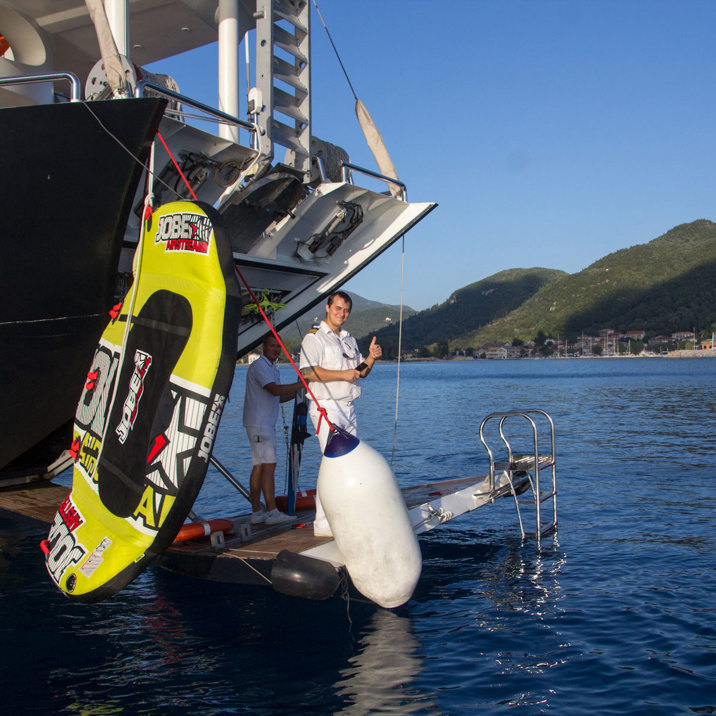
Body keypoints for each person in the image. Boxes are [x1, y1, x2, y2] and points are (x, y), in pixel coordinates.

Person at [299, 290, 382, 535]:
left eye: (346, 310)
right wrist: (341, 375)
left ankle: (346, 515)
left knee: (349, 463)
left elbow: (359, 371)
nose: (341, 314)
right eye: (338, 308)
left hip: (348, 407)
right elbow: (307, 372)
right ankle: (323, 523)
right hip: (327, 406)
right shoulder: (314, 338)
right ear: (327, 308)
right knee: (332, 463)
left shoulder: (348, 339)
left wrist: (371, 357)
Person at [243, 333, 302, 525]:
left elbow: (278, 397)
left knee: (260, 466)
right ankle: (271, 511)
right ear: (263, 346)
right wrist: (300, 384)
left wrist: (299, 392)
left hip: (263, 422)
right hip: (260, 423)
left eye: (278, 346)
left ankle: (256, 512)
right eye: (272, 346)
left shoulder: (271, 368)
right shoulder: (259, 366)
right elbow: (275, 390)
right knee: (268, 465)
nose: (275, 349)